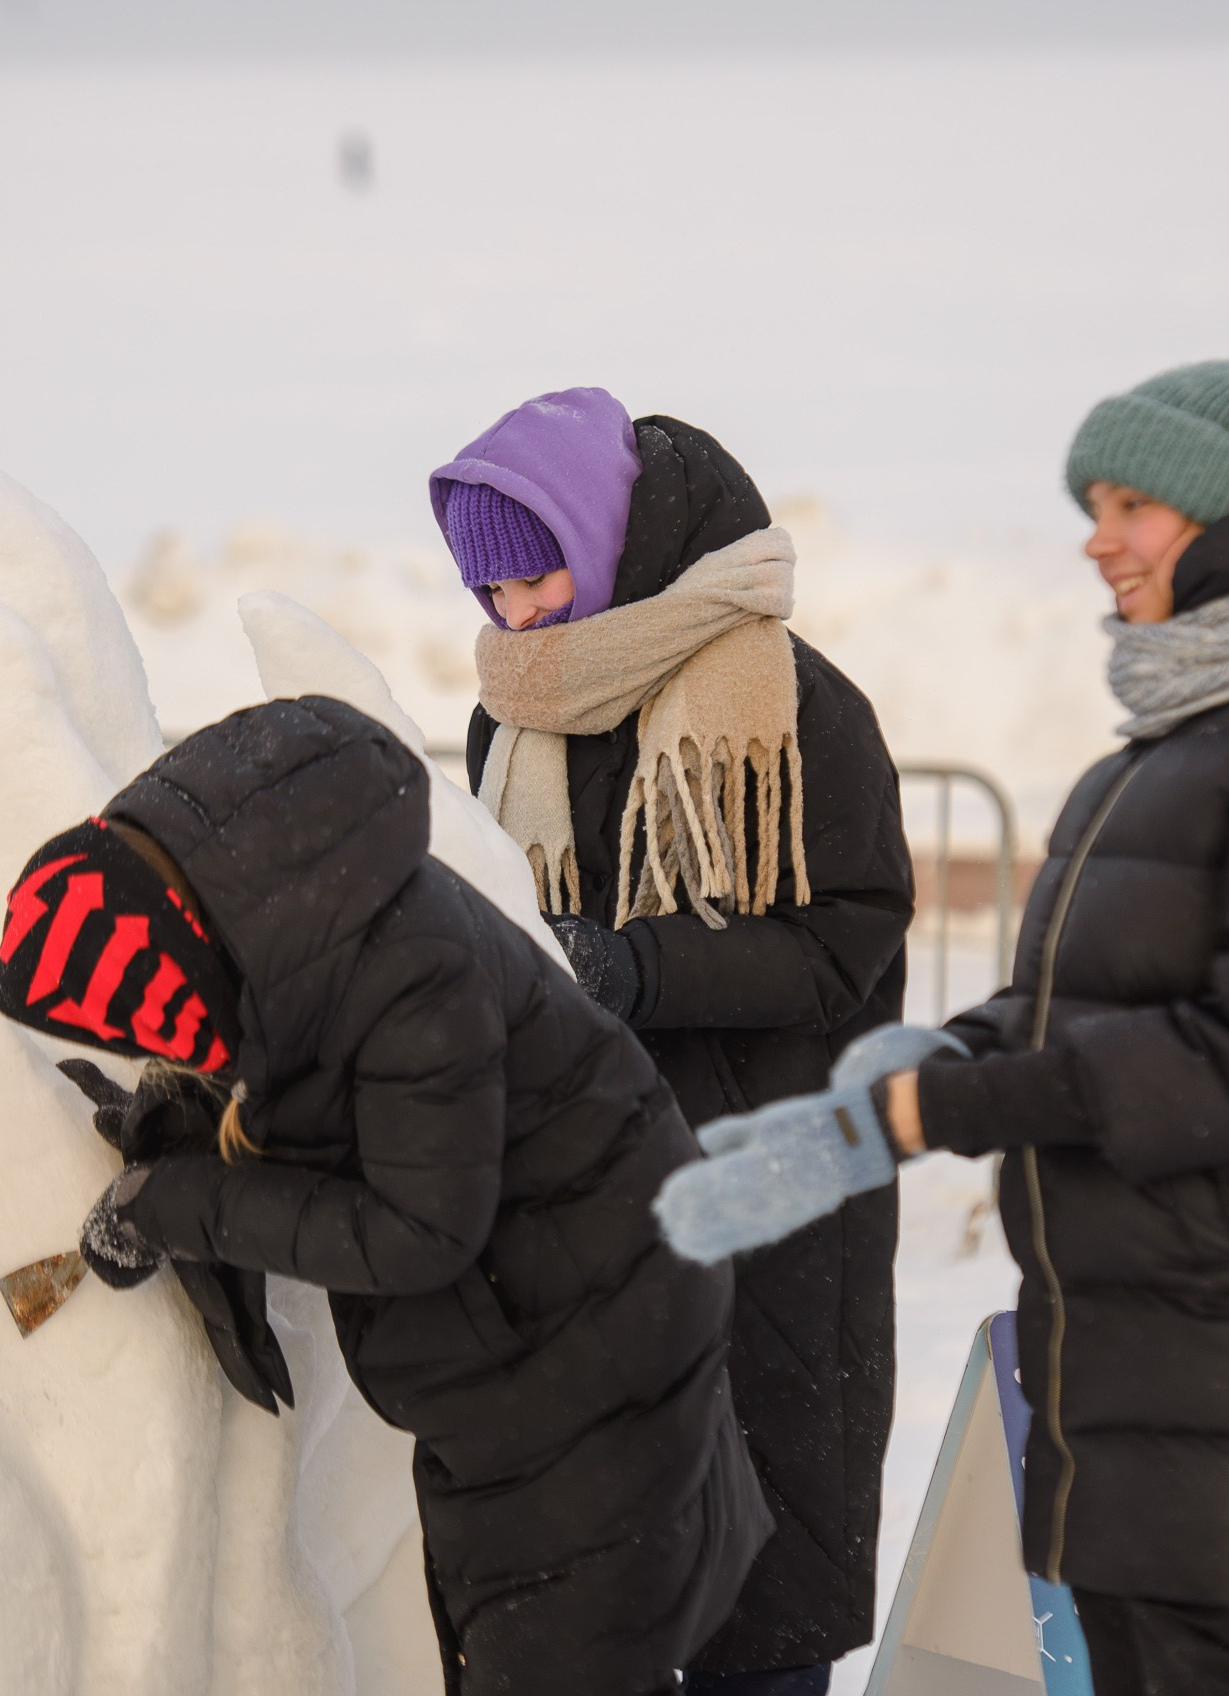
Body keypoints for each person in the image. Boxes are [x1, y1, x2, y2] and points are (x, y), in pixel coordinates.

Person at [657, 360, 1229, 1695]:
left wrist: (950, 1108)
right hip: (1137, 1330)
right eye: (1092, 508)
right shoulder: (1180, 739)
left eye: (1132, 506)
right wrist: (932, 1064)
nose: (1096, 540)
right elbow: (1082, 1005)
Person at [0, 696, 769, 1696]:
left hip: (588, 1344)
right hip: (529, 1339)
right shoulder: (289, 931)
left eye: (152, 1027)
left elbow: (419, 1229)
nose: (158, 1049)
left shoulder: (408, 976)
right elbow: (289, 1070)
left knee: (556, 1656)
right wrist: (174, 1129)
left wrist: (176, 1204)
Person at [436, 389, 915, 1695]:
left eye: (536, 574)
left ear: (607, 539)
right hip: (588, 1214)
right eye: (489, 590)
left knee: (759, 1588)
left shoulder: (795, 705)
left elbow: (844, 944)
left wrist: (628, 967)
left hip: (770, 1206)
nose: (517, 615)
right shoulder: (512, 721)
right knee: (603, 1599)